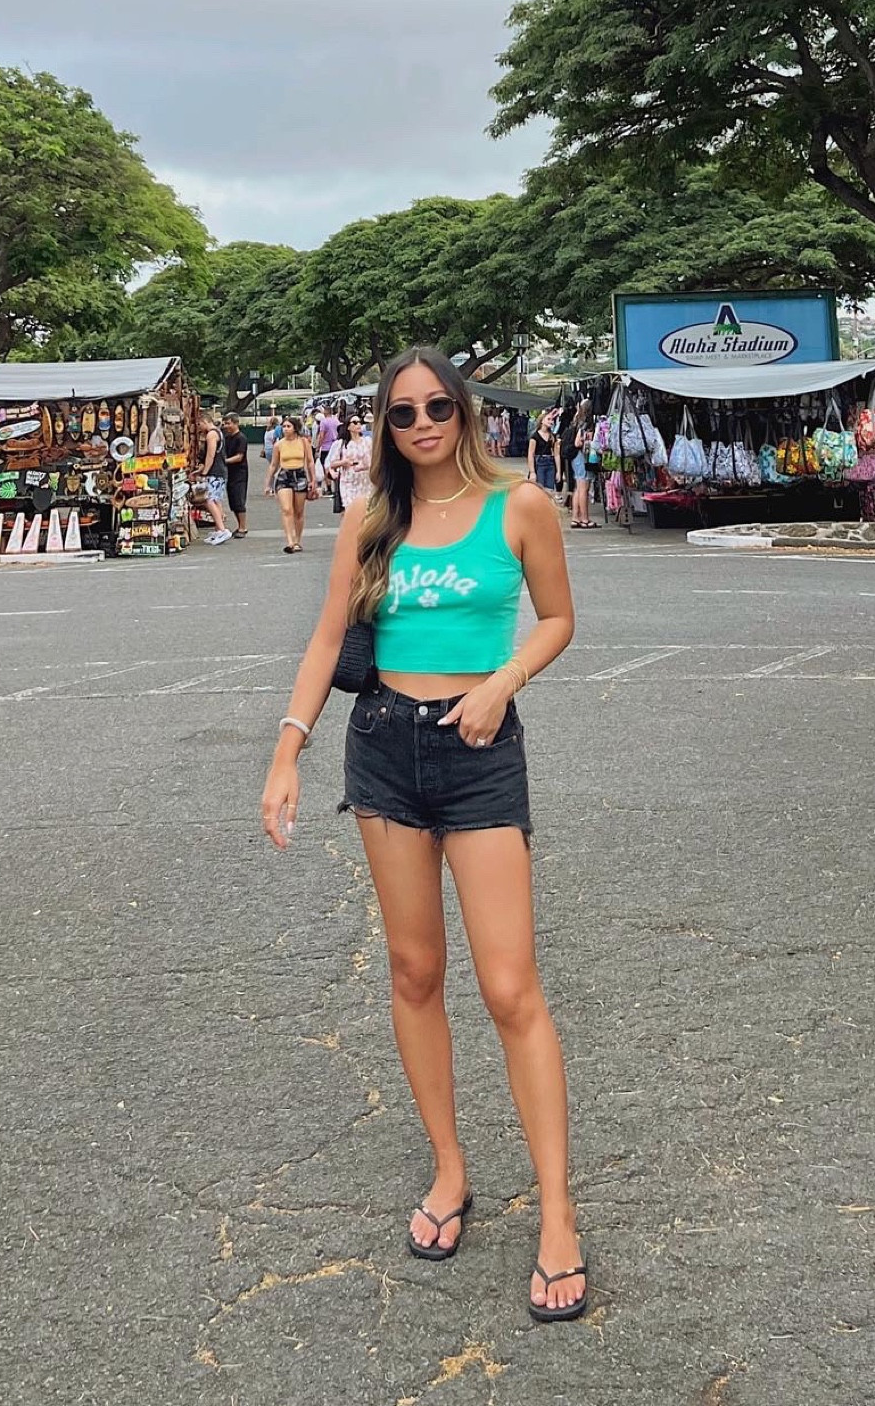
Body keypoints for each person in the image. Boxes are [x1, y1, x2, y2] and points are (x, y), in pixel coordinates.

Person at [259, 347, 587, 1320]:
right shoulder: (368, 519)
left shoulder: (518, 505)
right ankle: (448, 1168)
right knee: (412, 971)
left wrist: (500, 680)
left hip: (480, 749)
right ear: (383, 425)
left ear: (466, 411)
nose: (423, 422)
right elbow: (328, 637)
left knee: (508, 985)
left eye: (439, 404)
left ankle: (559, 1213)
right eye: (402, 412)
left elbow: (558, 618)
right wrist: (288, 746)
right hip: (383, 750)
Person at [265, 415, 319, 553]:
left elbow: (310, 461)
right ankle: (290, 540)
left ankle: (297, 540)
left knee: (298, 511)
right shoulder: (279, 444)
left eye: (288, 426)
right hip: (284, 475)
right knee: (287, 509)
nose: (285, 429)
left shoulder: (303, 442)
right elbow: (273, 465)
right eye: (284, 426)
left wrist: (313, 480)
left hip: (300, 475)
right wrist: (268, 483)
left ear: (295, 428)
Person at [198, 416, 233, 546]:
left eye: (199, 424)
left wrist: (205, 471)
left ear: (205, 421)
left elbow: (210, 454)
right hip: (220, 471)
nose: (199, 427)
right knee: (216, 499)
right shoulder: (218, 432)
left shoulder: (212, 434)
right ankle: (219, 529)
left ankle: (222, 529)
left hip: (215, 471)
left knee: (209, 499)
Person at [329, 414, 373, 509]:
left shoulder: (367, 442)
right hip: (348, 481)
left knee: (365, 511)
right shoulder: (341, 444)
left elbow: (373, 460)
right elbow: (332, 463)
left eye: (360, 422)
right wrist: (343, 462)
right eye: (355, 422)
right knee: (351, 509)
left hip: (365, 481)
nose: (358, 425)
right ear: (348, 426)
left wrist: (365, 465)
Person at [221, 416, 250, 539]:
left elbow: (239, 456)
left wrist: (224, 461)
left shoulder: (241, 438)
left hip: (240, 472)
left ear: (236, 423)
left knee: (239, 499)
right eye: (225, 424)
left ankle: (243, 527)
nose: (226, 426)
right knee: (233, 500)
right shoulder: (227, 438)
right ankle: (239, 526)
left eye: (228, 423)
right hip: (230, 472)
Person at [568, 406, 598, 528]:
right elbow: (578, 442)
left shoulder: (576, 421)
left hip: (576, 459)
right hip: (582, 458)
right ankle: (585, 519)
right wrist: (589, 439)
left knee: (578, 488)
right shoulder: (585, 425)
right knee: (583, 488)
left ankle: (576, 518)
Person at [527, 413, 558, 494]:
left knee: (549, 490)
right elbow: (530, 454)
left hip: (550, 463)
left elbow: (556, 454)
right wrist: (532, 472)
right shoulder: (535, 436)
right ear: (542, 421)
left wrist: (558, 471)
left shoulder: (552, 436)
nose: (551, 421)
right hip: (539, 463)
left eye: (552, 420)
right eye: (548, 419)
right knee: (539, 489)